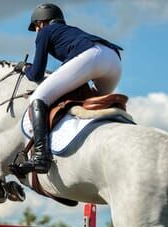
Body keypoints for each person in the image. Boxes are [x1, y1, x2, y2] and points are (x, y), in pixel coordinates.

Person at [14, 3, 123, 175]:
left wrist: (24, 68)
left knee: (38, 98)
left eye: (35, 27)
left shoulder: (44, 32)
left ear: (41, 22)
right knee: (93, 103)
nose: (36, 31)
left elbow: (36, 74)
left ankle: (41, 157)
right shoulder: (69, 30)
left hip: (92, 57)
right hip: (114, 60)